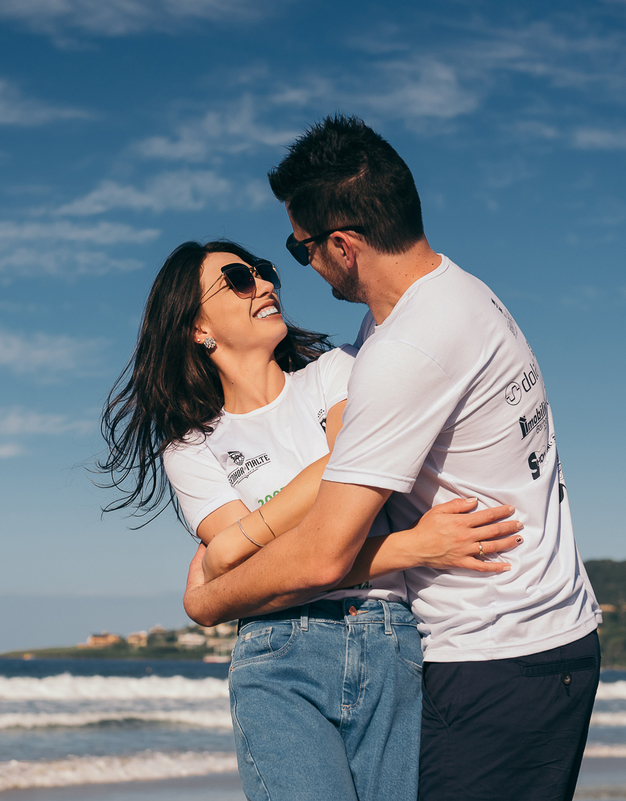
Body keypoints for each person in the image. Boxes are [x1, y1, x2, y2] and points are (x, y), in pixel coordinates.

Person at [183, 116, 604, 801]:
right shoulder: (450, 297)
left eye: (298, 250)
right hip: (536, 643)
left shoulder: (407, 346)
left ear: (342, 245)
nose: (295, 270)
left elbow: (323, 553)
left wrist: (207, 598)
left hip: (496, 655)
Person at [99, 239, 522, 801]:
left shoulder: (338, 371)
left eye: (264, 271)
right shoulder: (192, 448)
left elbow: (343, 471)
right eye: (238, 278)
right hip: (278, 653)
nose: (266, 283)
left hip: (388, 640)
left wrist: (243, 535)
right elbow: (268, 570)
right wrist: (408, 548)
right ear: (198, 329)